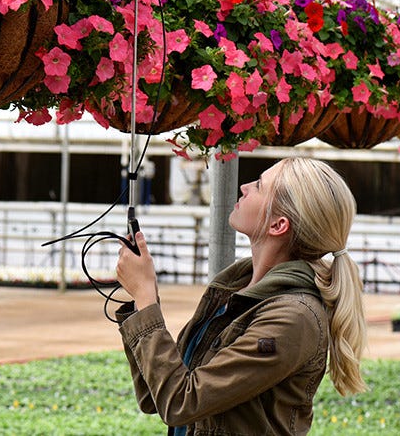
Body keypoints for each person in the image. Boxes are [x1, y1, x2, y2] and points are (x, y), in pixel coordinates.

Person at [115, 157, 367, 435]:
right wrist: (143, 303)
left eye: (259, 186)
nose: (245, 187)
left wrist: (146, 299)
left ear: (278, 225)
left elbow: (181, 402)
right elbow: (156, 397)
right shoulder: (234, 291)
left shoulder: (294, 318)